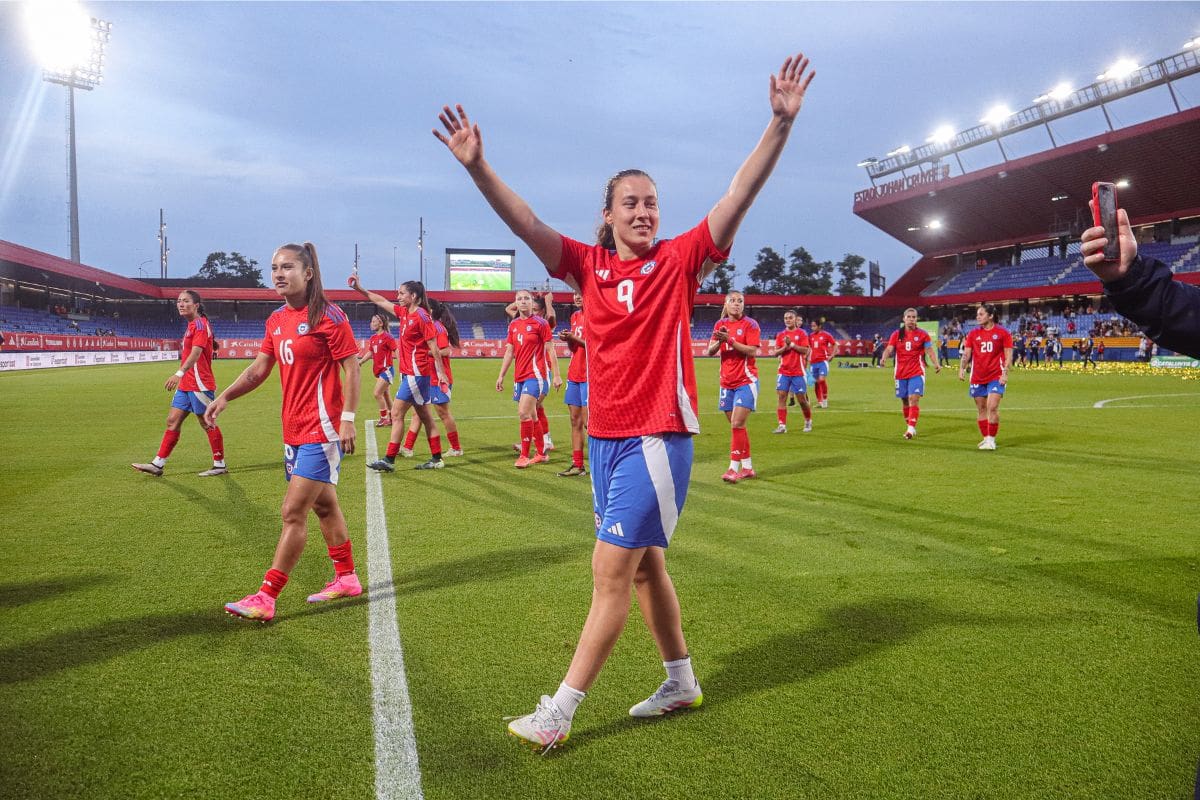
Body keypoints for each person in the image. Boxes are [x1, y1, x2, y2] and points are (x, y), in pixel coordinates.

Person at [434, 51, 814, 749]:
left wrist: (779, 127)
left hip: (658, 438)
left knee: (610, 572)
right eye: (631, 203)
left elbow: (737, 196)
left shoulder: (681, 259)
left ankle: (560, 712)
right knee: (646, 570)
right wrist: (477, 166)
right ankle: (680, 680)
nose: (645, 211)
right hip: (606, 440)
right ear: (607, 216)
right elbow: (525, 224)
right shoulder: (586, 267)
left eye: (651, 202)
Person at [205, 243, 361, 622]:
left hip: (321, 430)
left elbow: (352, 367)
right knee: (324, 505)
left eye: (287, 266)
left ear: (307, 273)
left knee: (293, 512)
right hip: (292, 429)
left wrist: (348, 418)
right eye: (274, 267)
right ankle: (347, 577)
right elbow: (259, 370)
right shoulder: (276, 320)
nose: (279, 274)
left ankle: (267, 595)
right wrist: (224, 395)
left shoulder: (329, 316)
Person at [351, 278, 450, 471]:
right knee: (425, 417)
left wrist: (441, 373)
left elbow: (434, 346)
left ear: (413, 296)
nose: (398, 297)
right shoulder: (404, 313)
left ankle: (389, 460)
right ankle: (437, 458)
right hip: (410, 374)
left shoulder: (421, 316)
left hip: (417, 374)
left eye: (402, 293)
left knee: (396, 413)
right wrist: (360, 288)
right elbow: (380, 300)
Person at [132, 290, 228, 478]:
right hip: (187, 384)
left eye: (185, 301)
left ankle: (219, 464)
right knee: (172, 421)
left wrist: (179, 373)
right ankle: (157, 464)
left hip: (200, 383)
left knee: (206, 422)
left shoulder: (199, 325)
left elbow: (196, 353)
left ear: (196, 305)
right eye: (178, 301)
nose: (181, 304)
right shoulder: (193, 325)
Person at [497, 289, 562, 468]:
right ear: (516, 303)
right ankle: (541, 453)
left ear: (532, 303)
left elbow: (551, 349)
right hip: (520, 376)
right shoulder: (514, 325)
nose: (523, 301)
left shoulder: (541, 323)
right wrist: (501, 375)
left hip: (537, 375)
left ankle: (524, 455)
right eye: (520, 299)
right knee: (533, 415)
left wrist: (556, 375)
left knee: (524, 413)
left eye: (526, 298)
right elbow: (509, 352)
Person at [398, 298, 465, 457]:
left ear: (431, 311)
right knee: (418, 413)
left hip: (439, 378)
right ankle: (407, 448)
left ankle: (456, 448)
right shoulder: (427, 325)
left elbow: (445, 351)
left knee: (443, 413)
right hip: (427, 377)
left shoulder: (437, 327)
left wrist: (425, 352)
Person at [706, 291, 761, 482]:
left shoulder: (750, 324)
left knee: (737, 424)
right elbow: (710, 351)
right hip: (726, 383)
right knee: (737, 426)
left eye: (740, 301)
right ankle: (747, 467)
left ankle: (733, 469)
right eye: (733, 301)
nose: (737, 304)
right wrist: (721, 340)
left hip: (746, 381)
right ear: (726, 304)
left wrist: (730, 340)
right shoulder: (719, 325)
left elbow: (752, 350)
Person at [957, 303, 1013, 450]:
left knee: (992, 407)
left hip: (996, 376)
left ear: (990, 316)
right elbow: (967, 353)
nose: (978, 317)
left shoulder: (1003, 333)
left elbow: (1008, 355)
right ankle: (986, 438)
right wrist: (962, 368)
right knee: (981, 409)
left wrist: (1005, 374)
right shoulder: (973, 334)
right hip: (977, 377)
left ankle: (992, 440)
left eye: (981, 314)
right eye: (977, 314)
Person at [881, 307, 941, 439]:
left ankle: (910, 429)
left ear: (916, 319)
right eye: (909, 317)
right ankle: (910, 425)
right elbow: (889, 348)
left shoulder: (923, 334)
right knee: (904, 401)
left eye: (914, 317)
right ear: (904, 319)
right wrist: (884, 357)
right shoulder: (897, 334)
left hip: (916, 372)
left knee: (913, 398)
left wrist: (936, 363)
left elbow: (929, 350)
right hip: (900, 373)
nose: (911, 319)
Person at [557, 291, 589, 477]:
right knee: (574, 420)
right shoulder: (575, 316)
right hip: (575, 373)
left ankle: (603, 464)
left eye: (581, 294)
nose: (577, 297)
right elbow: (574, 348)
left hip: (590, 374)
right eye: (575, 294)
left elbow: (597, 344)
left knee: (588, 423)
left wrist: (573, 338)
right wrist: (568, 339)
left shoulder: (597, 315)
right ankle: (577, 465)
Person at [773, 309, 812, 434]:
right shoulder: (780, 335)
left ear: (795, 319)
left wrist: (793, 345)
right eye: (785, 318)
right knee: (781, 397)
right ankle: (782, 425)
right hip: (783, 371)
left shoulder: (802, 333)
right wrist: (785, 346)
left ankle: (807, 420)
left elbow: (805, 350)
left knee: (801, 400)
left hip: (798, 372)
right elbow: (775, 353)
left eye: (790, 317)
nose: (788, 320)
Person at [358, 313, 397, 428]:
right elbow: (370, 353)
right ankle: (394, 417)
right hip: (379, 371)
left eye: (374, 321)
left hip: (387, 370)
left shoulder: (388, 337)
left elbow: (396, 350)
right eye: (371, 321)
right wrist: (360, 362)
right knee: (385, 395)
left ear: (381, 324)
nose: (371, 323)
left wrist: (404, 365)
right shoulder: (373, 338)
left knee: (377, 393)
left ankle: (384, 418)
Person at [808, 318, 837, 407]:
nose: (812, 328)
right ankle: (819, 402)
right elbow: (808, 348)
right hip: (813, 363)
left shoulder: (826, 335)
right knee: (816, 382)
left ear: (819, 326)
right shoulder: (811, 336)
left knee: (822, 380)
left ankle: (825, 400)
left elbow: (835, 344)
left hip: (822, 362)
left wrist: (832, 355)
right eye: (811, 326)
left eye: (814, 326)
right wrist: (807, 357)